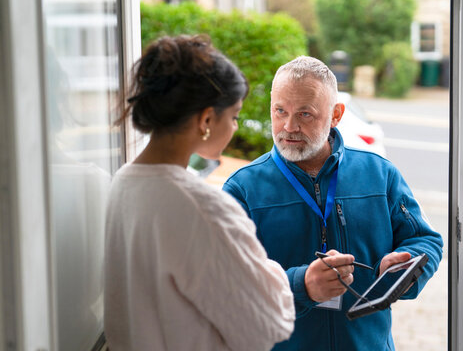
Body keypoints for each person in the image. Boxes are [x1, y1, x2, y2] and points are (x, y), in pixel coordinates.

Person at [223, 56, 443, 350]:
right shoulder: (242, 189)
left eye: (305, 114)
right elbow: (226, 285)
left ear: (336, 115)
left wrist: (405, 269)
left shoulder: (380, 174)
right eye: (280, 111)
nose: (288, 126)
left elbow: (425, 241)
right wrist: (301, 286)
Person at [104, 35, 295, 351]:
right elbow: (270, 324)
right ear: (206, 119)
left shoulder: (123, 183)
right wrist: (266, 269)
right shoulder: (203, 208)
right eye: (233, 116)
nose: (234, 127)